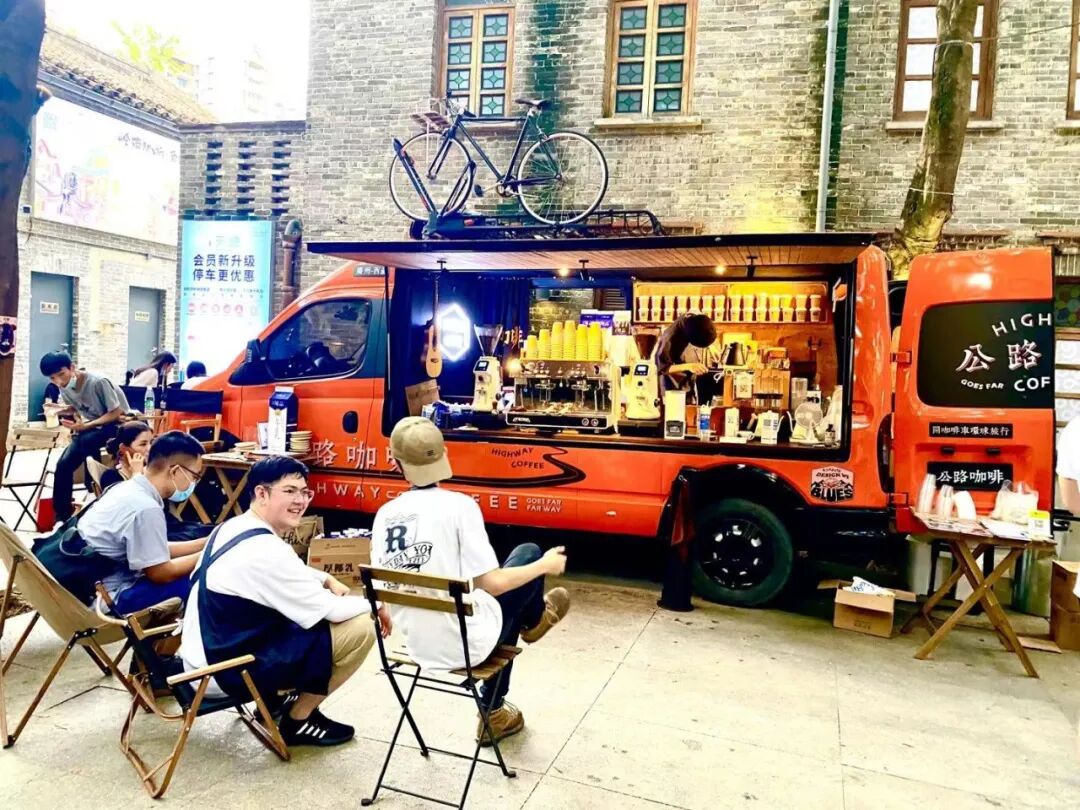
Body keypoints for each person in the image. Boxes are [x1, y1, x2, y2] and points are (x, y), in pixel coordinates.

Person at [371, 417, 570, 746]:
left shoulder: (385, 516)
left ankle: (531, 626)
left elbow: (383, 586)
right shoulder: (460, 507)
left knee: (499, 599)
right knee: (528, 554)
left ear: (396, 462)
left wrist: (384, 609)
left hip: (419, 646)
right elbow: (493, 583)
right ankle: (499, 696)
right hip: (467, 646)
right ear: (444, 455)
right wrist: (544, 566)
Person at [179, 456, 390, 747]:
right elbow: (328, 610)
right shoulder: (267, 549)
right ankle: (298, 720)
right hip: (224, 673)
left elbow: (284, 573)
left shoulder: (232, 526)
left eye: (304, 492)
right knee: (362, 627)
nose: (300, 501)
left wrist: (325, 578)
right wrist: (377, 605)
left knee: (297, 620)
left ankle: (276, 702)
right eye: (289, 491)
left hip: (200, 658)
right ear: (261, 493)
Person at [77, 431, 208, 614]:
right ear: (175, 471)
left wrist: (206, 543)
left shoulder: (127, 488)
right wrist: (209, 555)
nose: (194, 483)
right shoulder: (146, 508)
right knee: (204, 579)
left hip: (82, 588)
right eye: (195, 476)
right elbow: (161, 573)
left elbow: (152, 550)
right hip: (107, 600)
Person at [40, 351, 126, 523]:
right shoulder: (63, 387)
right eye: (53, 378)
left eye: (61, 374)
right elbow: (77, 407)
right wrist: (59, 410)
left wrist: (86, 426)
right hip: (92, 428)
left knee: (87, 440)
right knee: (63, 465)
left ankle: (93, 488)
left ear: (72, 367)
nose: (59, 381)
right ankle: (62, 516)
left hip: (118, 424)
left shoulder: (98, 382)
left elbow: (116, 412)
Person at [654, 312, 718, 392]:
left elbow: (704, 329)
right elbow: (661, 368)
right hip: (674, 389)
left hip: (690, 384)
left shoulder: (694, 319)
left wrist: (711, 347)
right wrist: (689, 366)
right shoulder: (669, 340)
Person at [100, 420, 152, 489]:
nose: (150, 448)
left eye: (151, 442)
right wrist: (137, 474)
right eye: (143, 444)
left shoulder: (152, 469)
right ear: (123, 448)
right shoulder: (111, 477)